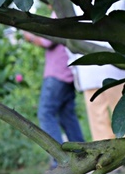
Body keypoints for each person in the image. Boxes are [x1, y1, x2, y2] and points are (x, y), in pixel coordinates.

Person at [23, 31, 84, 166]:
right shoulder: (67, 13)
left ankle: (61, 158)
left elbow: (47, 41)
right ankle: (82, 155)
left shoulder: (58, 13)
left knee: (45, 114)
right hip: (68, 73)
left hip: (57, 75)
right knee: (67, 116)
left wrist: (30, 36)